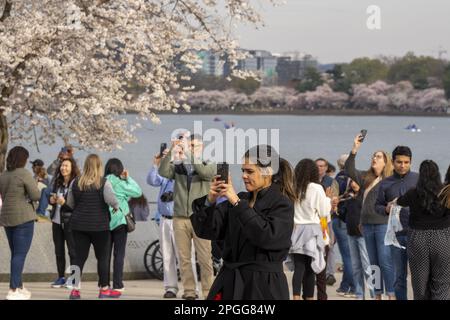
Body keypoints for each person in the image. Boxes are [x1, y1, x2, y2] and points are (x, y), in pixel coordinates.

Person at [191, 145, 295, 300]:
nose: (244, 176)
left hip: (263, 285)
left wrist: (237, 203)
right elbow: (207, 231)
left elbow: (266, 237)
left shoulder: (281, 204)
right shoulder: (241, 199)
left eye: (250, 171)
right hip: (230, 281)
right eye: (243, 171)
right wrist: (209, 200)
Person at [159, 134, 216, 300]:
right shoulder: (179, 165)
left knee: (205, 258)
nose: (189, 148)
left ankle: (208, 292)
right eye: (188, 145)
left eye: (193, 145)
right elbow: (163, 171)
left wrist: (189, 155)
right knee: (183, 258)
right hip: (180, 217)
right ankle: (189, 291)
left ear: (202, 146)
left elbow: (206, 174)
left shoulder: (208, 161)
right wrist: (172, 150)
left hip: (201, 217)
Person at [345, 133, 395, 300]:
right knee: (373, 265)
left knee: (385, 262)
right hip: (366, 226)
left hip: (382, 225)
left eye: (378, 156)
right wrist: (355, 148)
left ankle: (391, 294)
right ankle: (378, 295)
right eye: (374, 156)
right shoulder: (366, 177)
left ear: (385, 161)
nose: (374, 158)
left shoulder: (390, 180)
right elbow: (349, 169)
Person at [65, 154, 119, 300]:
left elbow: (69, 203)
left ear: (86, 165)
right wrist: (116, 206)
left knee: (78, 259)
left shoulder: (75, 182)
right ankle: (104, 290)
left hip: (78, 225)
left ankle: (75, 290)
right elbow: (112, 200)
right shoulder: (103, 182)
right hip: (100, 226)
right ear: (98, 166)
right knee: (102, 258)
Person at [394, 160, 450, 300]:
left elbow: (399, 202)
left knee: (420, 284)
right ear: (437, 174)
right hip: (442, 238)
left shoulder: (413, 193)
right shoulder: (445, 192)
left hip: (418, 238)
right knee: (442, 283)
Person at [376, 146, 419, 300]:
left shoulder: (418, 179)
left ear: (411, 162)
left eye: (406, 162)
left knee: (419, 277)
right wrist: (386, 209)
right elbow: (378, 206)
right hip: (396, 237)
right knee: (399, 277)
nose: (403, 165)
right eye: (399, 162)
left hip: (417, 234)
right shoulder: (385, 183)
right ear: (393, 162)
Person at [0, 146, 41, 300]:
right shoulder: (24, 173)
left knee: (16, 254)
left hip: (7, 218)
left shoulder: (3, 175)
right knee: (19, 254)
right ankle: (12, 290)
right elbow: (36, 195)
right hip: (23, 217)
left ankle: (20, 286)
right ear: (23, 159)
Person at [290, 158, 331, 300]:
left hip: (296, 230)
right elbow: (324, 212)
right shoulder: (317, 188)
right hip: (312, 231)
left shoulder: (293, 186)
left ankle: (295, 297)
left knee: (299, 267)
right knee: (310, 269)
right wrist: (328, 199)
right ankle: (309, 297)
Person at [104, 158, 142, 296]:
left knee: (105, 255)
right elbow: (138, 192)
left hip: (105, 222)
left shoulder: (103, 182)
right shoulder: (120, 183)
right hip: (120, 222)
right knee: (119, 254)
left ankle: (104, 284)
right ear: (120, 169)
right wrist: (128, 178)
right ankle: (118, 284)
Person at [315, 158, 346, 299]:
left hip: (327, 219)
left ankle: (330, 273)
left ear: (326, 167)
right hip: (314, 219)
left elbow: (335, 200)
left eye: (322, 166)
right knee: (315, 246)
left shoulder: (331, 182)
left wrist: (330, 204)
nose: (320, 168)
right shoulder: (311, 181)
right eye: (317, 166)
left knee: (330, 246)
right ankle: (316, 271)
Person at [47, 157, 80, 288]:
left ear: (72, 168)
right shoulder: (57, 183)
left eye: (66, 166)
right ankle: (61, 277)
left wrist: (64, 203)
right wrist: (52, 200)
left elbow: (77, 205)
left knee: (73, 251)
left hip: (70, 222)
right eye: (62, 166)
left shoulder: (76, 184)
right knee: (59, 251)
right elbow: (51, 197)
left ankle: (74, 279)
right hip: (56, 221)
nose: (63, 168)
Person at [341, 179, 374, 300]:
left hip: (363, 235)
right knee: (356, 267)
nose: (353, 184)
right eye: (351, 182)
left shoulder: (366, 195)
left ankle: (375, 294)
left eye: (356, 181)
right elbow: (344, 216)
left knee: (368, 267)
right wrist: (337, 210)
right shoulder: (348, 197)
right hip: (351, 234)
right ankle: (359, 295)